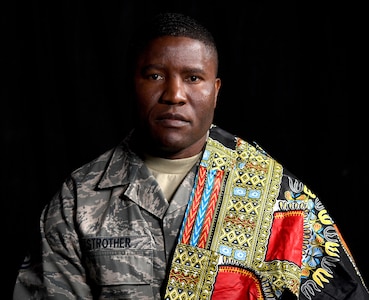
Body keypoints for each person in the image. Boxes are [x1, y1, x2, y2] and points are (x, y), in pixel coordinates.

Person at [12, 11, 369, 300]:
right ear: (131, 83)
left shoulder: (276, 193)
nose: (174, 94)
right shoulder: (80, 196)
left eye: (193, 77)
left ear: (215, 91)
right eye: (154, 75)